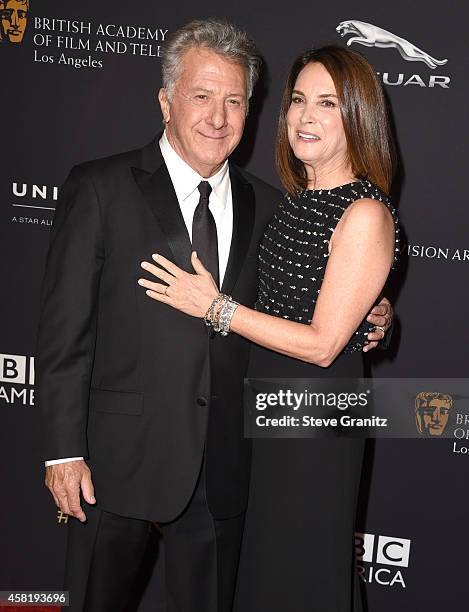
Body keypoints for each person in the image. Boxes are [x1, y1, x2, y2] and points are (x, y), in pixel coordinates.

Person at [36, 19, 392, 612]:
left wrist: (372, 310)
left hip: (234, 470)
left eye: (234, 100)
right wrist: (62, 452)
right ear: (165, 100)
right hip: (117, 465)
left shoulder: (273, 204)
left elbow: (317, 296)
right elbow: (63, 333)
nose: (217, 117)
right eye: (201, 96)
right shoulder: (100, 188)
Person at [138, 44, 399, 611]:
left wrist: (215, 306)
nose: (306, 117)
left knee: (302, 563)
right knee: (264, 566)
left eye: (328, 103)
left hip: (316, 410)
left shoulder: (365, 212)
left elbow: (326, 344)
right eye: (298, 100)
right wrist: (373, 311)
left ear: (358, 115)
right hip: (266, 400)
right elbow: (308, 297)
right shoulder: (291, 201)